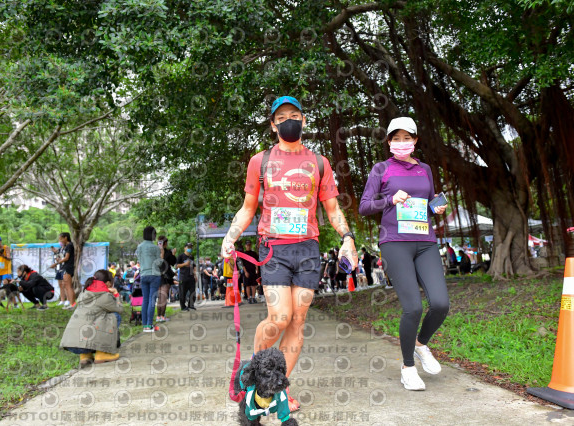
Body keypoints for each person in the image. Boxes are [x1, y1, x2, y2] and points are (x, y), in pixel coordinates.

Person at [221, 96, 357, 412]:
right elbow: (248, 208)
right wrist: (231, 236)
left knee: (298, 319)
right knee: (280, 316)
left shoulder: (320, 163)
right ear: (273, 125)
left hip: (308, 249)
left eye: (294, 115)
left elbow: (333, 210)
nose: (288, 121)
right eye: (281, 118)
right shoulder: (260, 161)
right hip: (274, 248)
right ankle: (253, 374)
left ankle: (277, 390)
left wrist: (347, 237)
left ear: (304, 120)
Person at [359, 116, 449, 391]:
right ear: (389, 142)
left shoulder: (425, 169)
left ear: (415, 140)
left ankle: (421, 345)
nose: (401, 142)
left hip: (425, 241)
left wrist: (436, 208)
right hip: (395, 243)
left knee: (440, 304)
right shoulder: (381, 169)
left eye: (406, 138)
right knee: (413, 308)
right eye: (396, 138)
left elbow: (428, 203)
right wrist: (389, 199)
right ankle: (408, 367)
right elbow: (364, 206)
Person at [60, 269, 123, 366]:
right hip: (85, 344)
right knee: (115, 316)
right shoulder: (104, 296)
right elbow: (120, 309)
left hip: (71, 344)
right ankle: (102, 353)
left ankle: (85, 356)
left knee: (91, 319)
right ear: (108, 283)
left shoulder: (84, 293)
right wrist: (116, 294)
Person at [135, 226, 161, 332]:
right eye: (155, 234)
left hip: (143, 275)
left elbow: (139, 260)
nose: (155, 236)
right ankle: (150, 325)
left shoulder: (139, 247)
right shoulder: (155, 248)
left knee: (145, 300)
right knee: (151, 300)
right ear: (152, 234)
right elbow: (159, 262)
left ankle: (145, 325)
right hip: (154, 275)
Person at [50, 233, 76, 310]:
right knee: (66, 286)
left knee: (68, 287)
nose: (60, 241)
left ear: (65, 238)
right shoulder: (66, 246)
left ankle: (72, 304)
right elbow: (63, 258)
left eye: (61, 239)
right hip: (65, 267)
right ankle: (72, 304)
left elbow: (66, 258)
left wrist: (56, 263)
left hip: (68, 268)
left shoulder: (69, 245)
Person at [156, 236, 175, 322]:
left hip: (156, 276)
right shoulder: (168, 252)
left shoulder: (154, 252)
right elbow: (173, 262)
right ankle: (162, 316)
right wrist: (173, 254)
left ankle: (158, 316)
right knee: (163, 297)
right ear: (165, 243)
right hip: (165, 276)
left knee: (160, 297)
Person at [176, 242, 196, 311]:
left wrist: (195, 274)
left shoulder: (191, 257)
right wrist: (184, 264)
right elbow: (176, 266)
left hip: (191, 277)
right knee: (183, 293)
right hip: (183, 277)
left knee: (192, 291)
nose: (189, 249)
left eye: (191, 247)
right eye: (188, 247)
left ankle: (191, 305)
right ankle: (183, 306)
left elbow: (193, 266)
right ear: (185, 248)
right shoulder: (181, 256)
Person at [50, 240, 67, 306]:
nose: (53, 250)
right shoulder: (54, 254)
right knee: (60, 285)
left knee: (65, 285)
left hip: (63, 270)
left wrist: (57, 261)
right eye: (52, 249)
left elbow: (63, 261)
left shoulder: (62, 252)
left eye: (54, 248)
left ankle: (67, 300)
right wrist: (54, 265)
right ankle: (62, 300)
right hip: (58, 270)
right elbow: (55, 262)